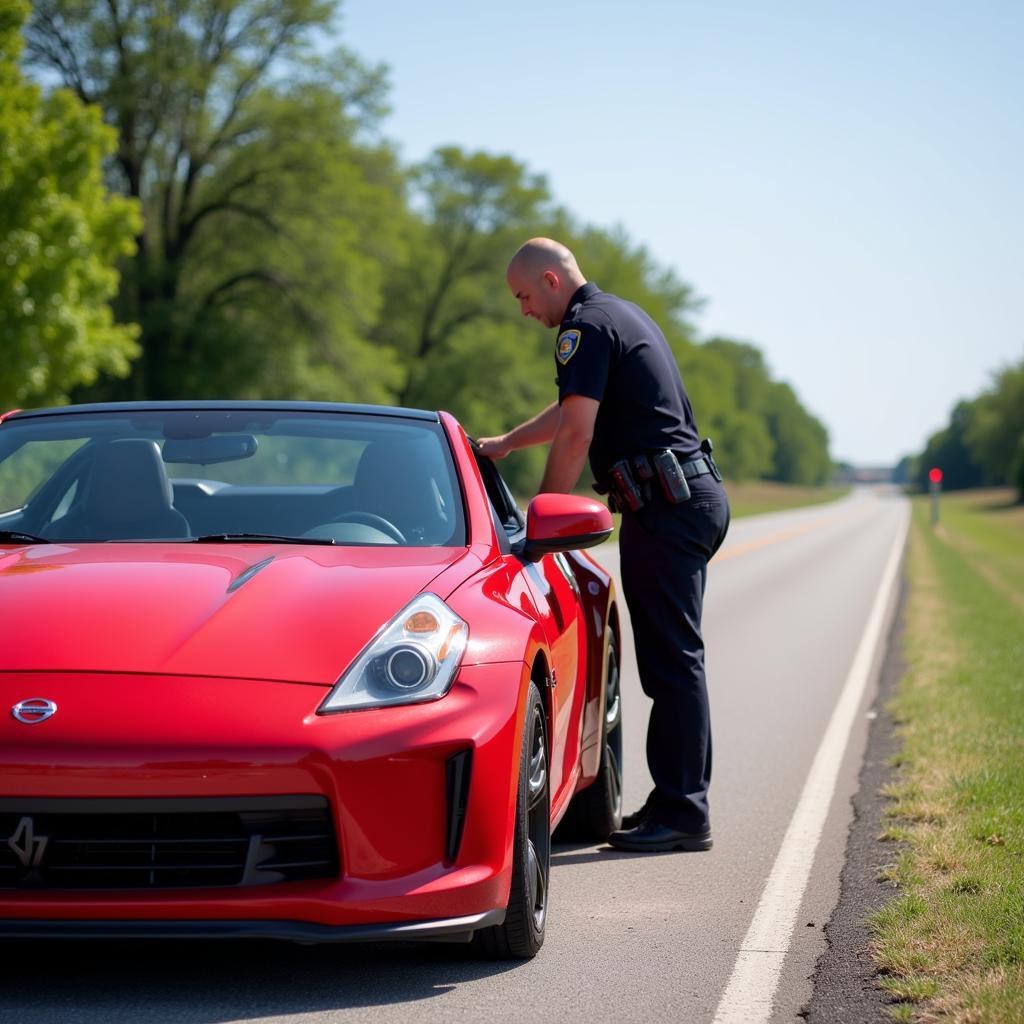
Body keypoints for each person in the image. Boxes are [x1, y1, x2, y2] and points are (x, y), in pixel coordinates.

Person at [477, 237, 730, 852]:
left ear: (550, 280)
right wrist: (509, 442)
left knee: (672, 663)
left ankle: (686, 812)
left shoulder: (584, 327)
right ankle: (674, 800)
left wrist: (544, 522)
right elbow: (570, 413)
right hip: (679, 500)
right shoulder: (616, 313)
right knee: (673, 662)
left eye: (525, 296)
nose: (524, 311)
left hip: (668, 507)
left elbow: (576, 435)